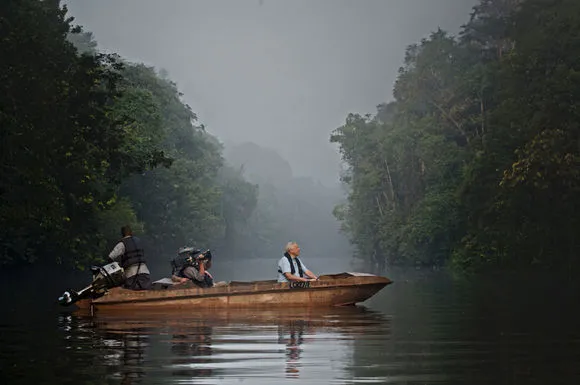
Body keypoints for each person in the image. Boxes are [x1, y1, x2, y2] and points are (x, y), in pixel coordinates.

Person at [108, 225, 151, 290]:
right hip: (144, 272)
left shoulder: (122, 244)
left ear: (122, 234)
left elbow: (110, 257)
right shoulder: (138, 241)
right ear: (131, 232)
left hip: (131, 274)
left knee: (132, 295)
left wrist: (117, 268)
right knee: (146, 292)